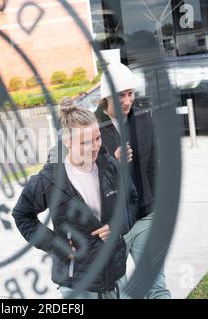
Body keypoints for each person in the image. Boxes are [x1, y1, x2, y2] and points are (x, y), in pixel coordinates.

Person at [12, 102, 138, 299]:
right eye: (85, 142)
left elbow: (130, 201)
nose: (95, 146)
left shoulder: (111, 166)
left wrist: (118, 225)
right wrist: (55, 244)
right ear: (67, 141)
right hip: (76, 283)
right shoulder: (49, 180)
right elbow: (22, 215)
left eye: (97, 138)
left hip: (114, 274)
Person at [95, 62, 171, 299]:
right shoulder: (90, 127)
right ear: (106, 98)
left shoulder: (144, 118)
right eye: (120, 96)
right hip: (111, 226)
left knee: (157, 287)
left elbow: (153, 167)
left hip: (144, 215)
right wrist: (113, 162)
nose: (127, 101)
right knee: (117, 293)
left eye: (130, 94)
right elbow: (82, 177)